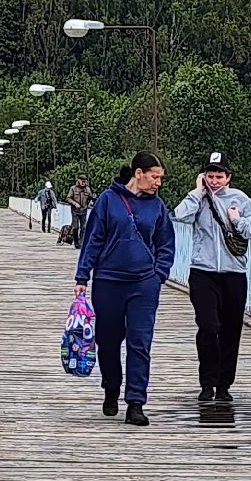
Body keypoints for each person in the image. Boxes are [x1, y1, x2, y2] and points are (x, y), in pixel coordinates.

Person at [74, 152, 175, 426]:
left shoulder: (158, 207)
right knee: (107, 341)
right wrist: (82, 276)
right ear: (138, 173)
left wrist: (159, 274)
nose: (158, 183)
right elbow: (93, 239)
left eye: (160, 178)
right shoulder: (108, 200)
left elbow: (166, 243)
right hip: (108, 281)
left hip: (144, 283)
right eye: (155, 177)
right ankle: (111, 387)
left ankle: (135, 402)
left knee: (140, 343)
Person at [172, 151, 251, 403]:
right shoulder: (199, 199)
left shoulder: (240, 199)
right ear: (203, 176)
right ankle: (207, 382)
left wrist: (238, 221)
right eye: (210, 176)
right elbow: (179, 215)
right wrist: (197, 192)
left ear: (228, 177)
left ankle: (224, 385)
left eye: (219, 176)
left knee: (230, 330)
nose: (214, 181)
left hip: (234, 274)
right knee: (208, 325)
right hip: (203, 272)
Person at [64, 175, 94, 249]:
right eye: (82, 181)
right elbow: (68, 198)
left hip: (84, 210)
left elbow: (91, 198)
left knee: (83, 228)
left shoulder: (87, 189)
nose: (84, 183)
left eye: (85, 181)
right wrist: (75, 203)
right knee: (76, 227)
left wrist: (90, 202)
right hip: (75, 211)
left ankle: (81, 243)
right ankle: (76, 242)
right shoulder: (73, 188)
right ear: (78, 181)